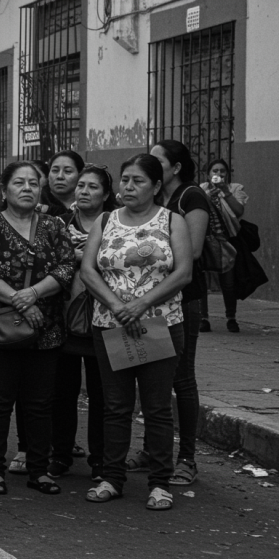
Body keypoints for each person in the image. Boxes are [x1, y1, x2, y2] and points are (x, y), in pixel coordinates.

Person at [81, 153, 193, 511]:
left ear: (156, 186)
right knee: (116, 406)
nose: (128, 187)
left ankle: (160, 483)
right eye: (125, 179)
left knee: (157, 407)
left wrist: (141, 305)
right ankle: (112, 477)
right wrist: (117, 306)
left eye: (138, 181)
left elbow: (183, 272)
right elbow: (88, 270)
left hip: (160, 324)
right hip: (110, 325)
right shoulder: (105, 220)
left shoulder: (172, 220)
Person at [0, 161, 73, 496]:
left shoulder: (54, 225)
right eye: (19, 182)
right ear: (4, 190)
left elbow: (66, 267)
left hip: (47, 328)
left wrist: (34, 294)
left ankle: (39, 470)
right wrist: (22, 302)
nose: (27, 188)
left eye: (33, 183)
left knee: (40, 403)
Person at [142, 139, 209, 488]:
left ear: (177, 167)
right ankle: (152, 450)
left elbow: (193, 251)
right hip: (150, 299)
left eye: (158, 161)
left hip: (183, 299)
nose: (151, 165)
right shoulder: (155, 198)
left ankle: (186, 459)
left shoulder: (191, 196)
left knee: (182, 378)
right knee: (152, 377)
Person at [48, 165, 117, 482]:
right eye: (81, 186)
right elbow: (48, 260)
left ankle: (100, 460)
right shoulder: (60, 224)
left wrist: (83, 257)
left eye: (93, 187)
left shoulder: (116, 225)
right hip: (63, 318)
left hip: (106, 318)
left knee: (103, 394)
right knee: (62, 392)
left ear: (106, 194)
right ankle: (60, 455)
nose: (84, 191)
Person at [198, 158, 247, 333]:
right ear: (208, 175)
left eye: (222, 171)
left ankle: (231, 318)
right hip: (205, 240)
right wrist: (207, 196)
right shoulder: (201, 189)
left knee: (228, 282)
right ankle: (203, 318)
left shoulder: (235, 189)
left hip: (226, 240)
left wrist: (225, 192)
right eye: (215, 171)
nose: (218, 174)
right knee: (202, 281)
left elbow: (239, 211)